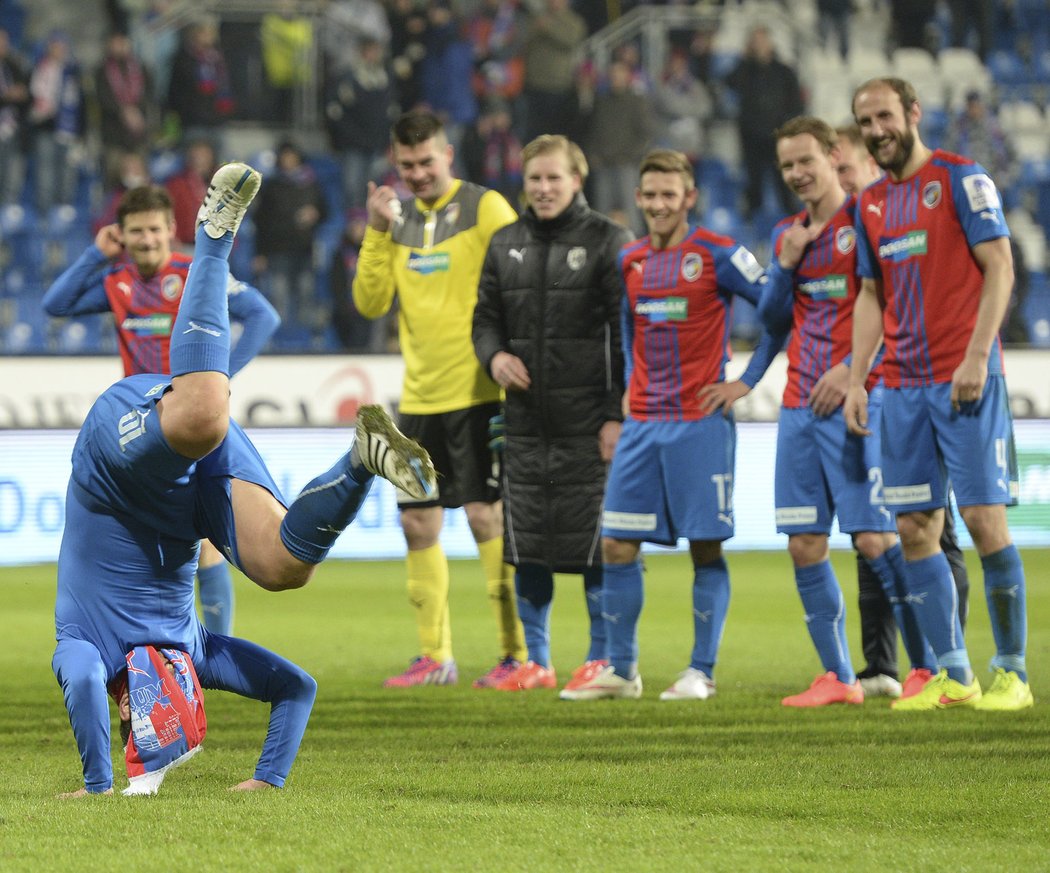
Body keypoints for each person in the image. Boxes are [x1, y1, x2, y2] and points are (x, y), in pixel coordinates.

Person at [53, 161, 437, 796]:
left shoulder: (85, 645)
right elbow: (296, 688)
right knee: (285, 565)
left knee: (202, 411)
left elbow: (87, 681)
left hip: (113, 456)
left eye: (131, 725)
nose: (132, 715)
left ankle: (213, 237)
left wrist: (99, 784)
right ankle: (359, 461)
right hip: (186, 489)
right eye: (141, 724)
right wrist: (267, 778)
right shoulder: (196, 655)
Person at [560, 148, 781, 701]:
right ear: (638, 199)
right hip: (643, 426)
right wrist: (633, 384)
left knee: (705, 546)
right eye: (650, 195)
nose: (659, 205)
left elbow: (778, 314)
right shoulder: (630, 259)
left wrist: (745, 381)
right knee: (616, 544)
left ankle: (700, 671)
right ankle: (622, 670)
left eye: (669, 195)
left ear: (689, 198)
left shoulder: (720, 253)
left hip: (699, 423)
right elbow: (630, 329)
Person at [845, 77, 1033, 711]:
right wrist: (856, 377)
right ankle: (954, 674)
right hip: (900, 387)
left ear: (913, 114)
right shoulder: (869, 204)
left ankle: (1012, 673)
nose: (875, 130)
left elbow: (1000, 265)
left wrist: (978, 355)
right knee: (915, 528)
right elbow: (871, 297)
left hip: (965, 378)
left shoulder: (961, 177)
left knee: (983, 521)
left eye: (884, 116)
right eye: (865, 121)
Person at [42, 184, 280, 637]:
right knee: (152, 538)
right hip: (142, 426)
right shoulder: (117, 282)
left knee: (205, 539)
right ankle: (167, 645)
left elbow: (263, 316)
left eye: (154, 229)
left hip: (189, 420)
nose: (147, 240)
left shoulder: (196, 273)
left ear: (172, 229)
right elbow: (55, 304)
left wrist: (220, 375)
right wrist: (96, 255)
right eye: (136, 232)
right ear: (122, 235)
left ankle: (216, 646)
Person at [759, 116, 940, 708]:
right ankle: (838, 677)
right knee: (804, 542)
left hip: (860, 398)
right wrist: (784, 264)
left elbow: (898, 305)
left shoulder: (868, 217)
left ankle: (928, 669)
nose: (797, 174)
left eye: (806, 160)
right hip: (798, 405)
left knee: (873, 538)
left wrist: (854, 370)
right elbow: (770, 320)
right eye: (787, 165)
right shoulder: (789, 231)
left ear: (832, 155)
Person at [352, 110, 527, 688]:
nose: (419, 173)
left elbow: (519, 286)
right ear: (394, 164)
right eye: (407, 165)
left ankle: (515, 654)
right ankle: (436, 657)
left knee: (486, 517)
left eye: (427, 161)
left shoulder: (487, 208)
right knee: (418, 526)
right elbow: (371, 303)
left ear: (448, 154)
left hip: (481, 392)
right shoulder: (394, 222)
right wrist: (376, 231)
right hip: (420, 400)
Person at [472, 134, 632, 692]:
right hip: (524, 424)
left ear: (576, 180)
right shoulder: (505, 241)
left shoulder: (610, 241)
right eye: (534, 178)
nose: (542, 188)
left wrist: (616, 413)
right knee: (529, 548)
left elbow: (628, 337)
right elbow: (485, 318)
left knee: (594, 548)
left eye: (553, 178)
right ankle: (535, 662)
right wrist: (494, 357)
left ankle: (599, 657)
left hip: (589, 424)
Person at [835, 122, 972, 698]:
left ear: (873, 168)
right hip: (874, 387)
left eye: (847, 170)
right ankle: (885, 665)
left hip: (912, 385)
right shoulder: (852, 226)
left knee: (929, 531)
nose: (842, 182)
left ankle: (941, 659)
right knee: (876, 533)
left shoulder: (905, 211)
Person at [725, 25, 803, 220]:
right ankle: (751, 231)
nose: (759, 46)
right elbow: (729, 82)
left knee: (785, 184)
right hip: (751, 138)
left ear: (770, 43)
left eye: (762, 41)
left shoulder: (784, 71)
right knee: (753, 184)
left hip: (778, 137)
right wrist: (744, 59)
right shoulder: (745, 70)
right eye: (755, 42)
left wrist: (786, 127)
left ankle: (794, 223)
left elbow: (796, 103)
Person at [250, 139, 328, 328]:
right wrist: (260, 253)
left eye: (292, 156)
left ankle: (305, 342)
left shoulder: (311, 184)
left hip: (304, 250)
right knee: (279, 297)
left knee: (306, 295)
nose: (288, 160)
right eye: (285, 157)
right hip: (278, 250)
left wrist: (315, 214)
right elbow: (261, 222)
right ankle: (279, 344)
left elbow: (325, 212)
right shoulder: (272, 186)